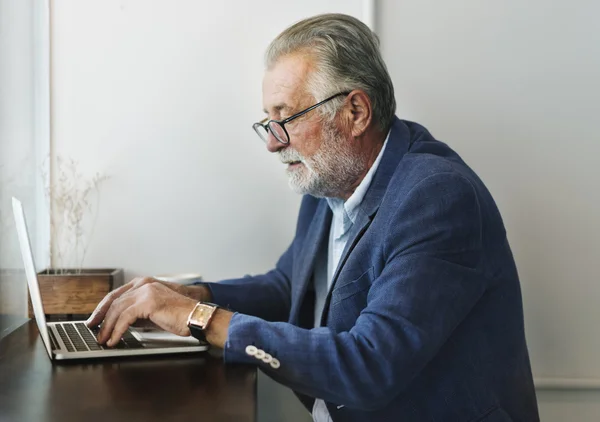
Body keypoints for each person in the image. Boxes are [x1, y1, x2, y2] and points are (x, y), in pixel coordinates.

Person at [87, 13, 539, 422]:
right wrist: (186, 295)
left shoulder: (437, 197)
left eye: (285, 117)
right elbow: (290, 288)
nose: (272, 142)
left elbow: (371, 364)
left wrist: (198, 317)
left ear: (355, 112)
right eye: (268, 121)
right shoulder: (328, 180)